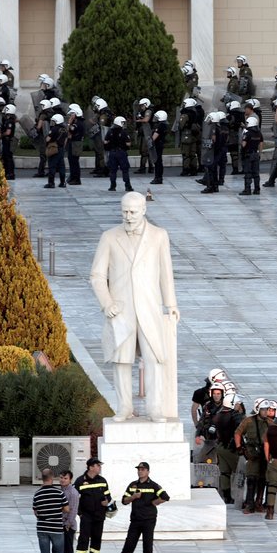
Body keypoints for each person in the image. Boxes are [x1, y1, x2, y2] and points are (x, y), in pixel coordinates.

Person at [90, 192, 180, 422]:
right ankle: (124, 407)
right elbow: (97, 275)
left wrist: (170, 303)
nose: (128, 216)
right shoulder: (109, 237)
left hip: (149, 309)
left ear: (143, 210)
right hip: (121, 311)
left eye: (132, 212)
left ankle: (155, 408)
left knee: (154, 358)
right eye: (124, 211)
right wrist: (106, 302)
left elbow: (165, 273)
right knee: (121, 360)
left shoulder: (159, 236)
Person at [110, 462, 170, 553]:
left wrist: (155, 502)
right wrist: (133, 497)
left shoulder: (153, 485)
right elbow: (124, 501)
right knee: (129, 544)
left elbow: (165, 497)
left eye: (143, 469)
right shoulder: (133, 485)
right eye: (139, 469)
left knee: (147, 545)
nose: (140, 471)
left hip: (149, 519)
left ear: (148, 471)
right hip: (136, 519)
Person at [235, 398, 276, 514]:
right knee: (251, 479)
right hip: (252, 453)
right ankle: (249, 504)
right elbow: (238, 433)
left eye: (267, 409)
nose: (266, 412)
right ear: (258, 409)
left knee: (263, 479)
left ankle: (259, 502)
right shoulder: (248, 421)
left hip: (265, 454)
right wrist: (239, 448)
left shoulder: (270, 423)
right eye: (263, 409)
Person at [33, 468, 71, 553]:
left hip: (42, 528)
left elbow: (36, 512)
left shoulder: (37, 494)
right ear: (52, 478)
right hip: (56, 528)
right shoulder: (59, 493)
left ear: (42, 478)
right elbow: (66, 509)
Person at [73, 458, 111, 553]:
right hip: (86, 516)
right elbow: (74, 499)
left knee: (96, 542)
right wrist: (80, 514)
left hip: (99, 516)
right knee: (83, 542)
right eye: (97, 465)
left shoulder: (102, 481)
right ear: (90, 467)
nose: (99, 468)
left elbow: (108, 497)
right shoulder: (80, 481)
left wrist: (107, 502)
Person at [213, 393, 244, 504]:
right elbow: (242, 425)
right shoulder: (233, 416)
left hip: (220, 446)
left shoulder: (219, 414)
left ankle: (226, 496)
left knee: (225, 472)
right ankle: (240, 497)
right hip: (231, 448)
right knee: (240, 472)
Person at [103, 116, 133, 192]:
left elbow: (105, 141)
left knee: (113, 170)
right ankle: (127, 185)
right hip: (121, 153)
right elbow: (128, 143)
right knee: (125, 170)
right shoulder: (123, 132)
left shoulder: (110, 131)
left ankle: (112, 186)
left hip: (112, 153)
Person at [239, 115, 263, 196]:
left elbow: (244, 144)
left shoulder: (248, 133)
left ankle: (247, 189)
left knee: (248, 172)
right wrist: (259, 153)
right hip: (255, 154)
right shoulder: (259, 133)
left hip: (248, 155)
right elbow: (261, 144)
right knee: (256, 173)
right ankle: (257, 189)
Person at [44, 113, 67, 189]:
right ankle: (62, 182)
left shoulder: (54, 129)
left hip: (54, 148)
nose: (52, 123)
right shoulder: (64, 129)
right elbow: (66, 140)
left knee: (52, 166)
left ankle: (51, 183)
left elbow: (48, 139)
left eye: (54, 121)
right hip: (61, 149)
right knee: (61, 166)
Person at [178, 98, 201, 177]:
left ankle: (186, 170)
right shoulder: (195, 113)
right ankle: (194, 170)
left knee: (186, 154)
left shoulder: (185, 114)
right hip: (194, 136)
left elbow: (181, 126)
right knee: (193, 154)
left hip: (186, 136)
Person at [66, 104, 84, 186]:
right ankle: (72, 177)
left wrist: (69, 123)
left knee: (74, 162)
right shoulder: (77, 122)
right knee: (72, 161)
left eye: (72, 114)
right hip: (73, 143)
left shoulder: (78, 123)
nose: (71, 116)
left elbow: (70, 132)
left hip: (76, 143)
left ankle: (76, 179)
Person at [134, 98, 153, 174]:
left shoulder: (148, 111)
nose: (141, 107)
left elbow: (146, 120)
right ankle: (150, 168)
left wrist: (138, 120)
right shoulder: (142, 112)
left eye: (142, 105)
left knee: (144, 151)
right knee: (146, 151)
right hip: (143, 133)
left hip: (147, 133)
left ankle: (143, 168)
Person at [150, 110, 168, 184]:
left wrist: (150, 140)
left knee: (158, 161)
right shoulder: (163, 124)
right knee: (158, 161)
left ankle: (158, 178)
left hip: (158, 145)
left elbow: (154, 137)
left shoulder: (161, 125)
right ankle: (158, 177)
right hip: (159, 144)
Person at [0, 104, 17, 180]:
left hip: (8, 141)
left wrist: (1, 134)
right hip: (7, 141)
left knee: (8, 158)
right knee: (6, 157)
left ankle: (10, 173)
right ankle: (8, 173)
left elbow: (8, 132)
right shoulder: (9, 120)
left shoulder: (9, 122)